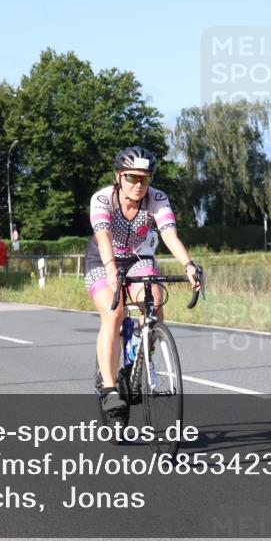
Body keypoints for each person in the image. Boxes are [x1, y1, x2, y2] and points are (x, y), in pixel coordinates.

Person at [85, 146, 200, 413]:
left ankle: (142, 354)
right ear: (119, 176)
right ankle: (110, 388)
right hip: (103, 259)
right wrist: (111, 267)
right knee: (114, 313)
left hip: (139, 258)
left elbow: (170, 235)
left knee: (155, 303)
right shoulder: (103, 199)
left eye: (144, 179)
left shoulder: (157, 199)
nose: (138, 185)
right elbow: (103, 237)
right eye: (132, 177)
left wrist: (188, 264)